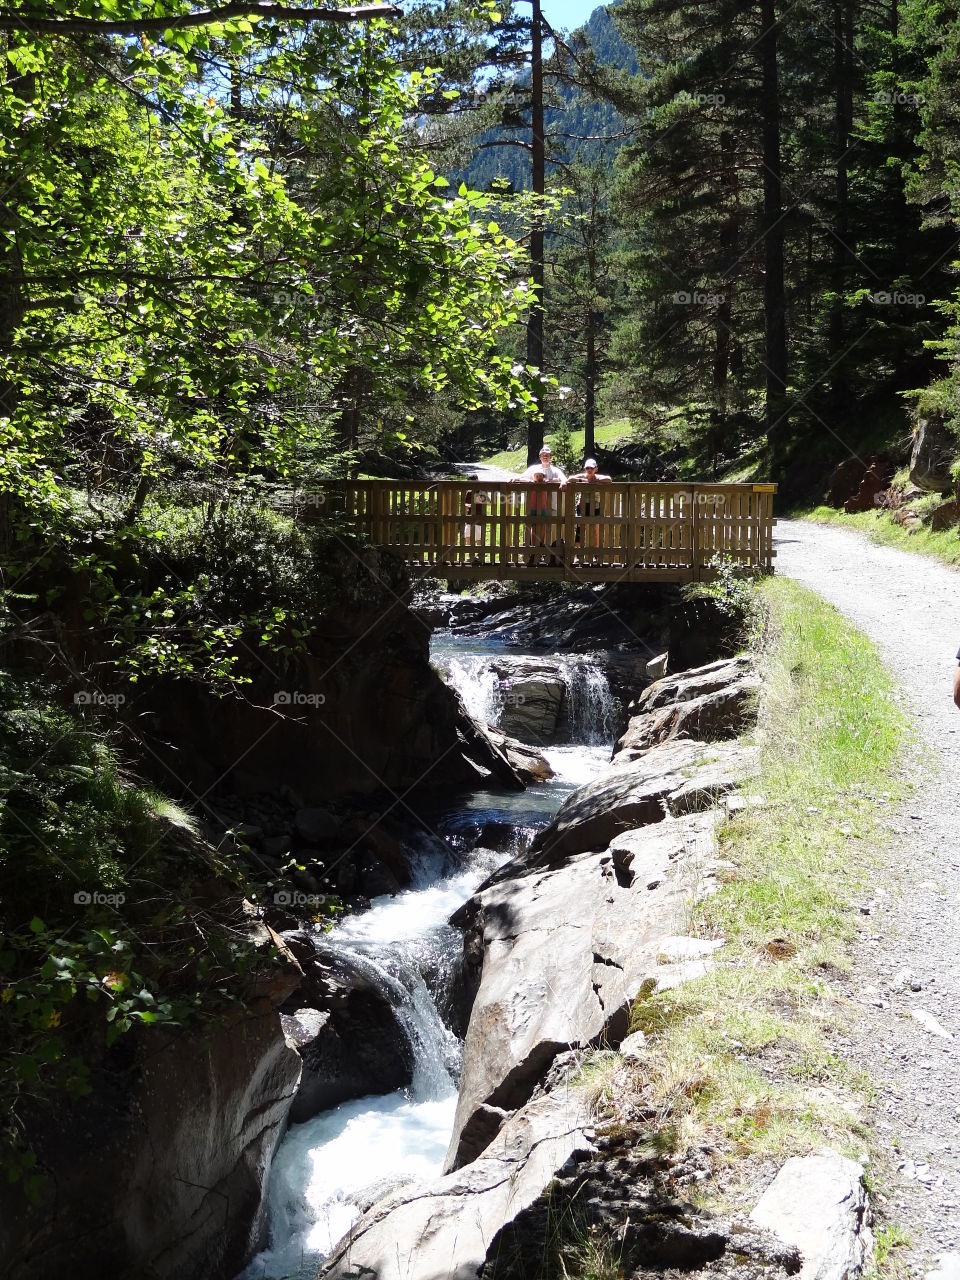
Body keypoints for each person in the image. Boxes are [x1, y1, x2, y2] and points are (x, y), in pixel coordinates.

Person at [510, 445, 567, 565]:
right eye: (543, 455)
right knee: (535, 527)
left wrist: (561, 482)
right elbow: (522, 476)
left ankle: (546, 555)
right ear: (540, 457)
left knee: (549, 530)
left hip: (551, 505)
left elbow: (563, 478)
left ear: (551, 457)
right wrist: (515, 478)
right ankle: (534, 552)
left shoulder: (555, 470)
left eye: (547, 455)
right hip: (535, 505)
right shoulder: (533, 469)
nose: (545, 457)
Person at [566, 458, 612, 560]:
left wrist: (596, 481)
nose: (589, 470)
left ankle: (595, 553)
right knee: (580, 528)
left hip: (595, 505)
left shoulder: (598, 477)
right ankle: (577, 553)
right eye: (587, 468)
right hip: (582, 505)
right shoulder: (582, 476)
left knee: (595, 529)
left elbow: (609, 479)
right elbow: (570, 478)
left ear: (596, 469)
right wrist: (584, 481)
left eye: (591, 468)